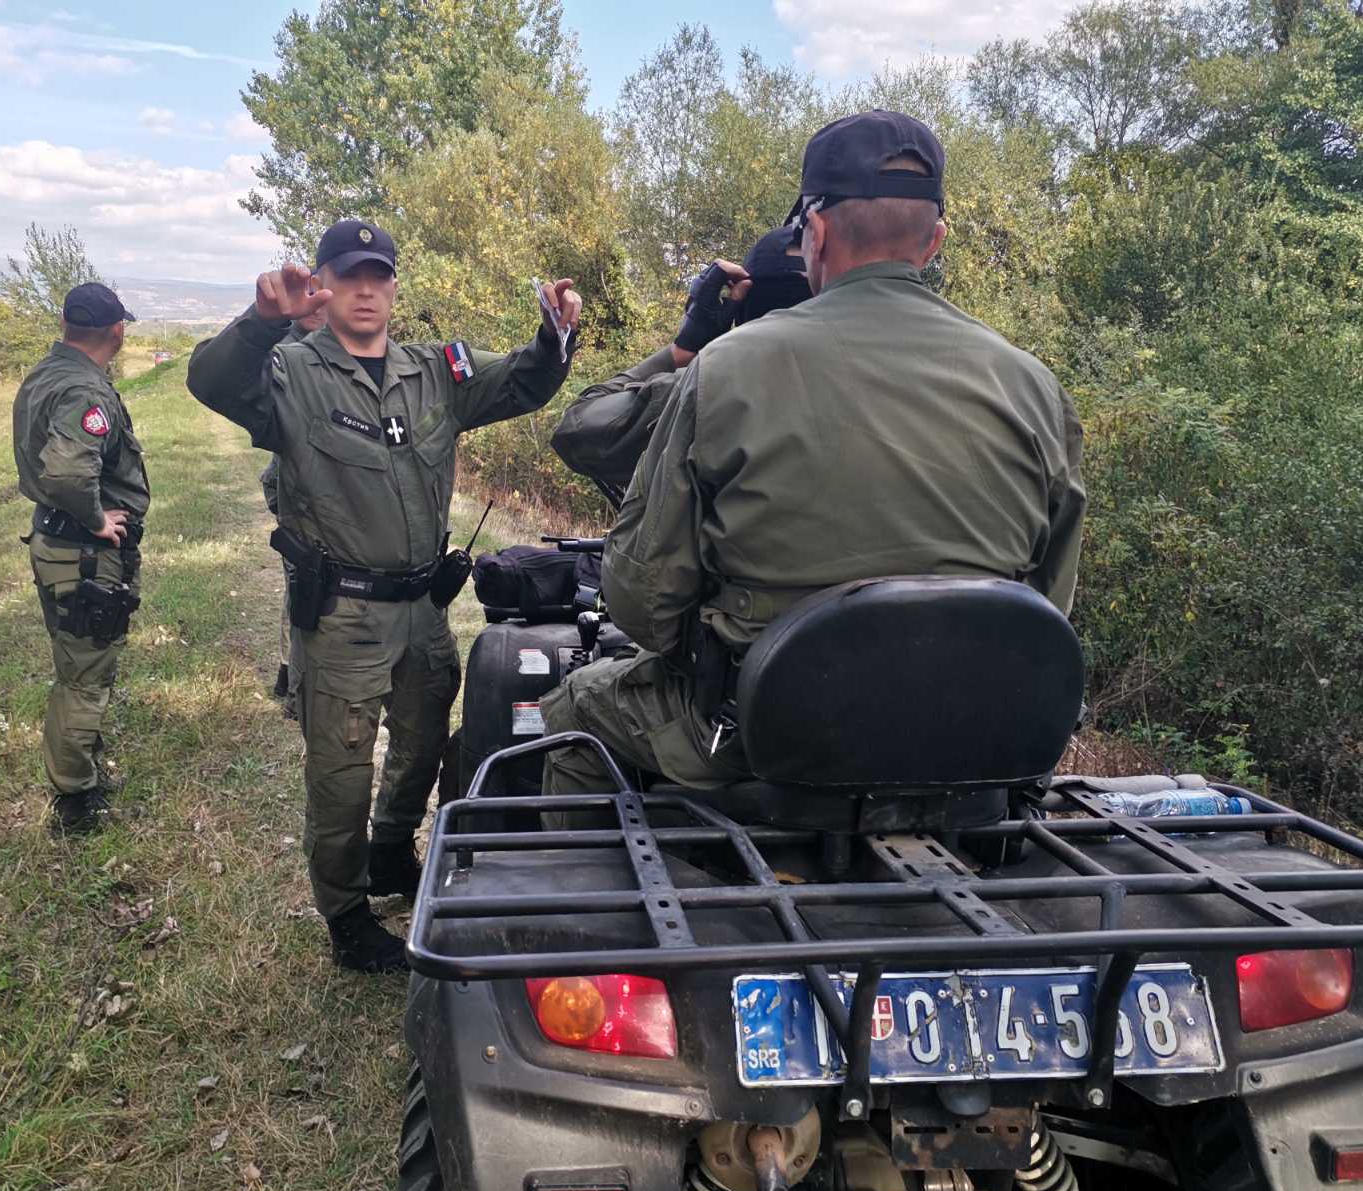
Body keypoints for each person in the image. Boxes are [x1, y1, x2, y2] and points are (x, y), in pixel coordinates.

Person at [541, 110, 1086, 797]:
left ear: (816, 233)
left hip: (764, 738)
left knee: (576, 706)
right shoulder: (1034, 385)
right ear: (936, 240)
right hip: (973, 740)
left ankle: (576, 905)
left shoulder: (726, 371)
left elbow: (639, 604)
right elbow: (1048, 606)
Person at [187, 219, 582, 972]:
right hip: (343, 614)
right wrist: (261, 321)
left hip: (422, 608)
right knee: (339, 769)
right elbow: (212, 382)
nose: (366, 289)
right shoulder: (293, 374)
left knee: (424, 738)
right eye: (350, 274)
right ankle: (345, 915)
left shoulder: (435, 370)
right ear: (326, 285)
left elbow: (524, 381)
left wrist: (553, 334)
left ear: (395, 286)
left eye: (379, 275)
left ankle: (390, 850)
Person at [12, 282, 149, 835]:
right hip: (84, 553)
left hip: (56, 544)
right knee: (85, 676)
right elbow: (68, 472)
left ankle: (80, 766)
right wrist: (96, 519)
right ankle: (74, 799)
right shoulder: (84, 391)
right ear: (117, 332)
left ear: (67, 326)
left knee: (75, 663)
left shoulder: (47, 373)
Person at [551, 227, 811, 504]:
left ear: (742, 306)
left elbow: (573, 431)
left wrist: (681, 351)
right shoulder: (858, 392)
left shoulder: (701, 396)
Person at [260, 305, 327, 714]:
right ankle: (293, 682)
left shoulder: (338, 345)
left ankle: (295, 677)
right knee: (304, 587)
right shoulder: (281, 353)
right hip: (297, 491)